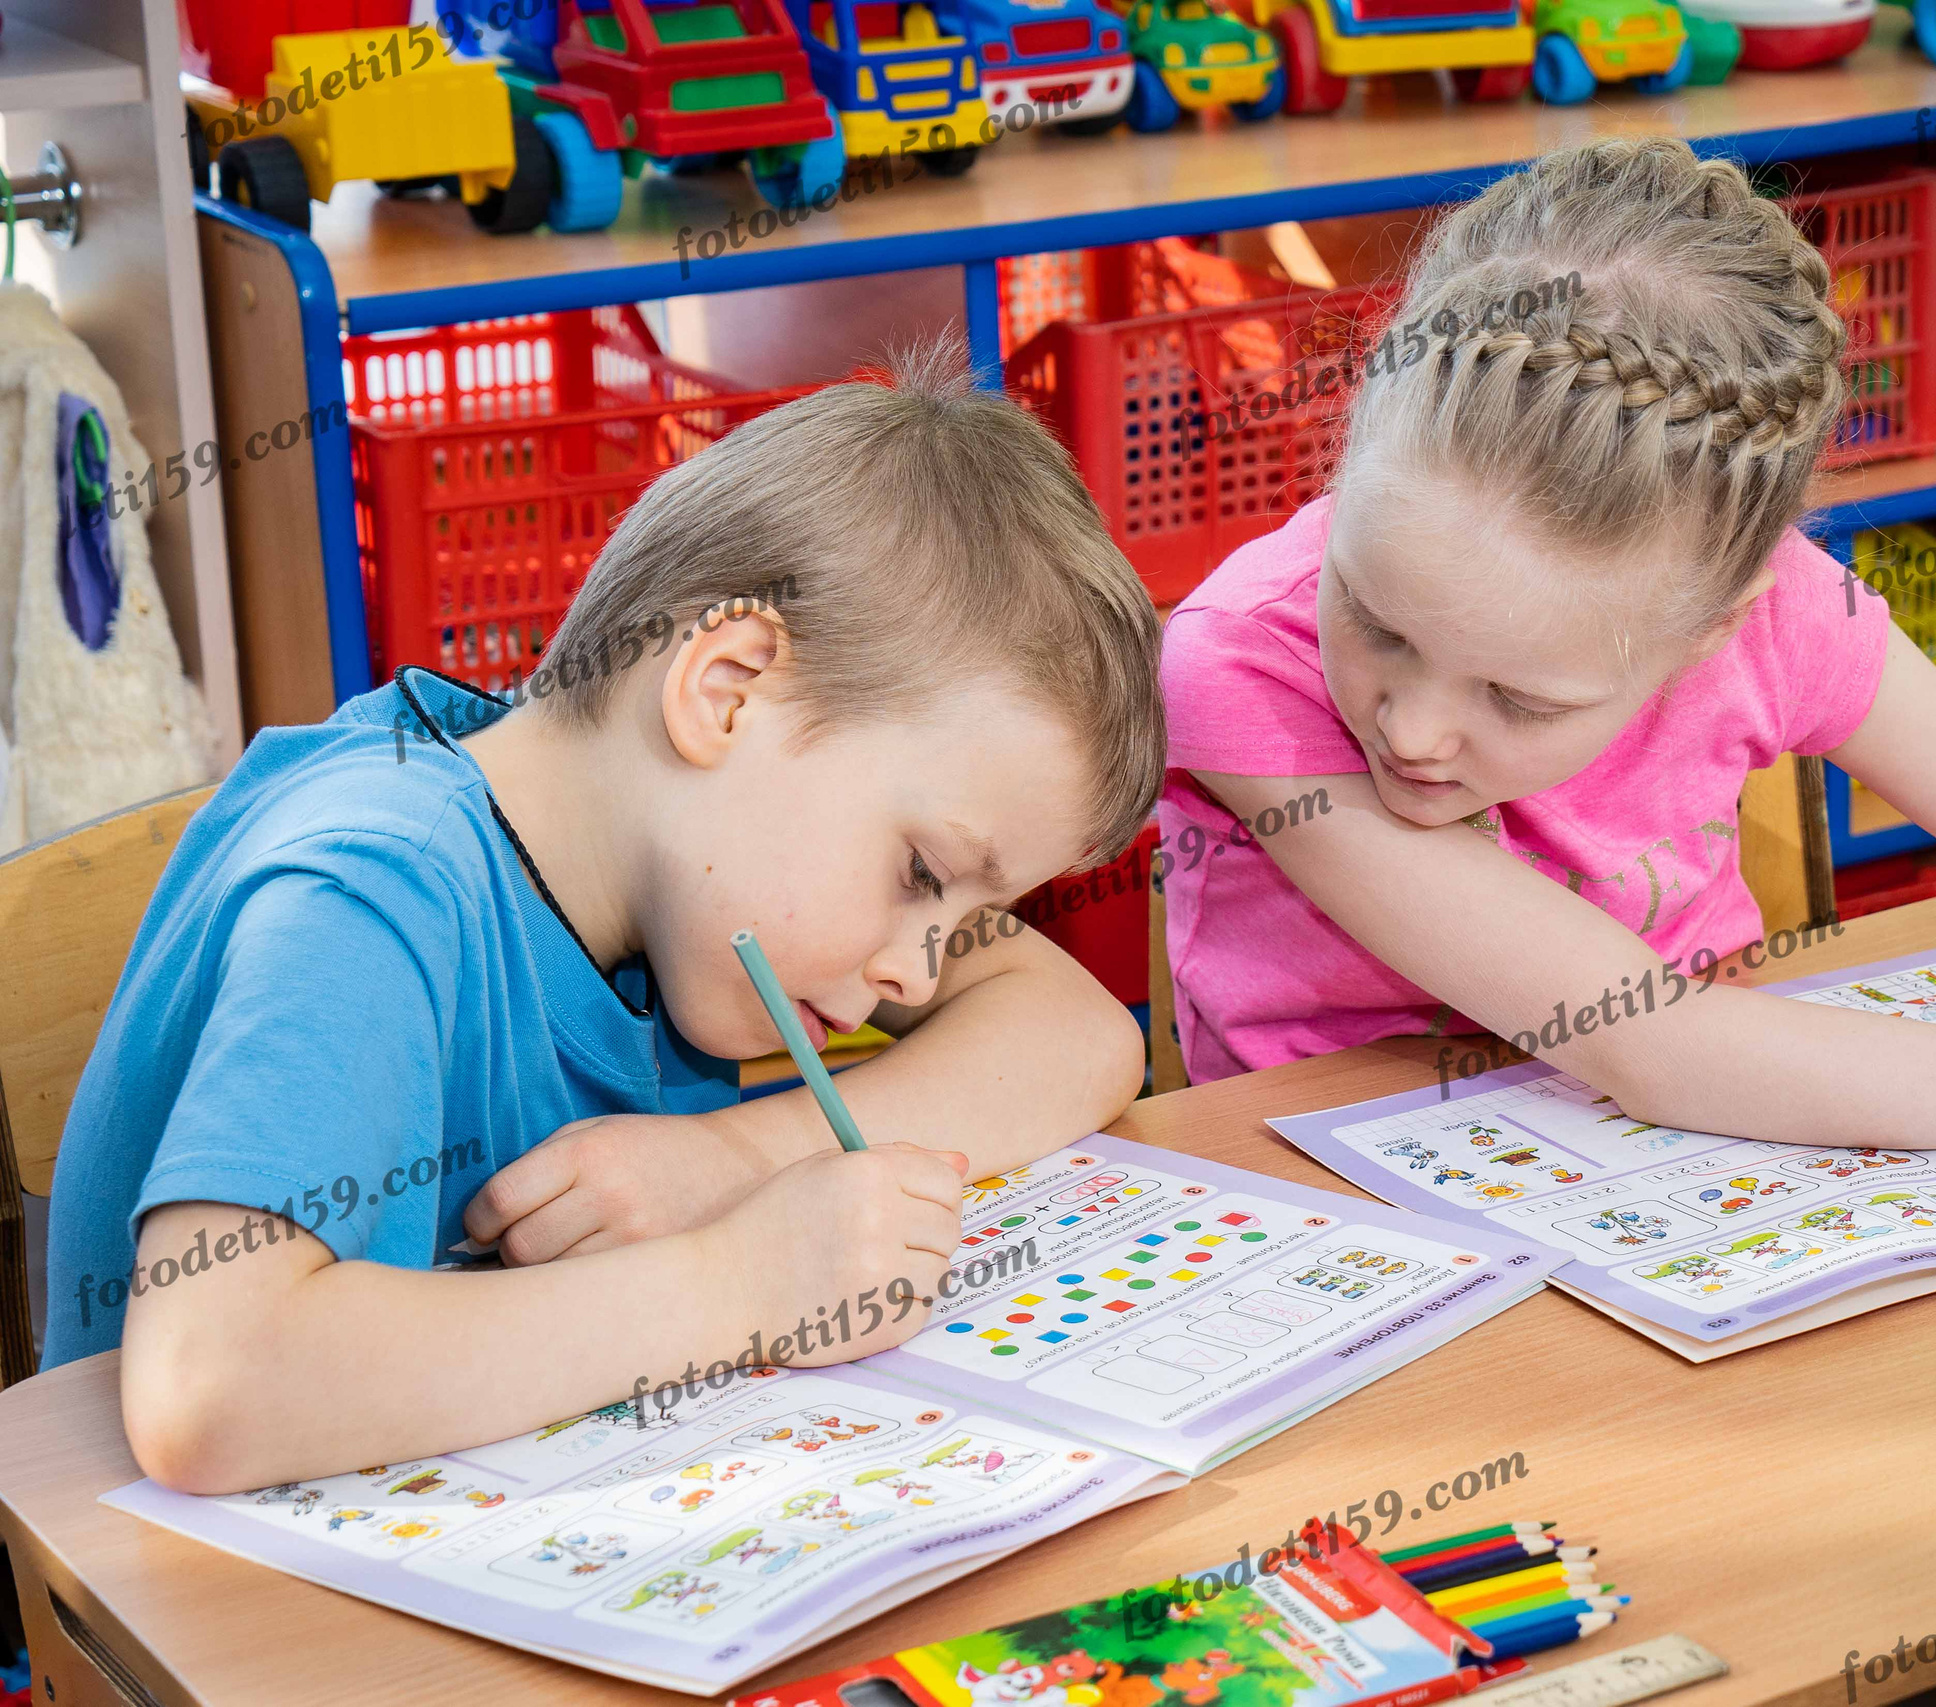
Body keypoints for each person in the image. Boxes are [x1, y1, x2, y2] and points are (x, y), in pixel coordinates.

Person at [1156, 139, 1936, 1706]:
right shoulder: (1240, 664)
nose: (1418, 728)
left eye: (1517, 695)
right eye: (1377, 616)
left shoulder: (1775, 611)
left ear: (1720, 621)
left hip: (1735, 1229)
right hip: (1404, 1340)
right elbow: (1643, 1040)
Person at [46, 343, 1165, 1496]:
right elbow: (212, 1388)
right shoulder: (371, 895)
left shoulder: (665, 870)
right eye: (925, 875)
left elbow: (1080, 1036)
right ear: (725, 693)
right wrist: (739, 1286)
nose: (920, 976)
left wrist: (724, 1161)